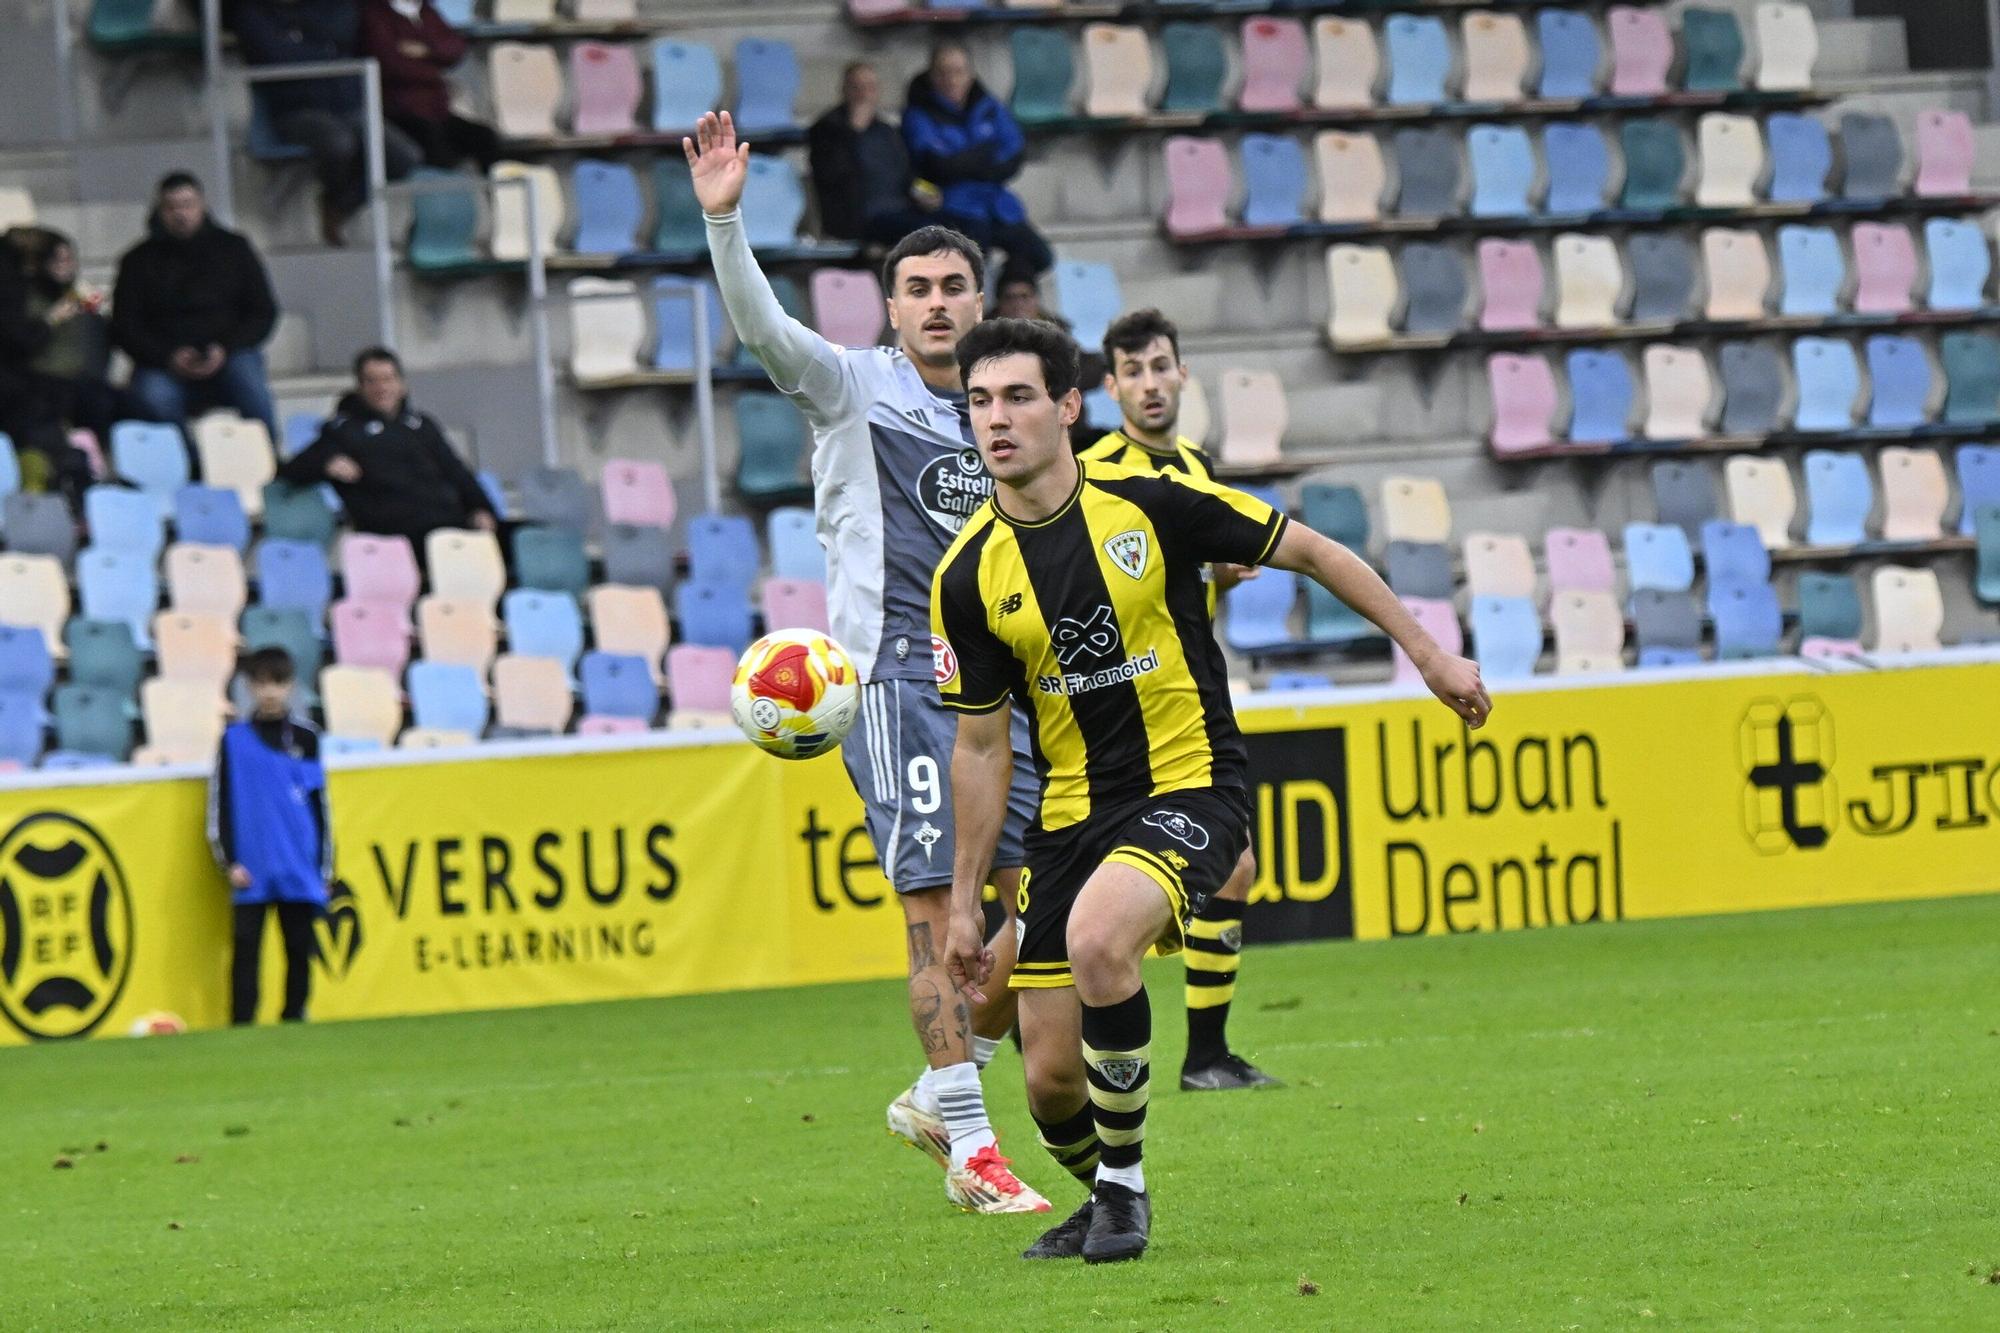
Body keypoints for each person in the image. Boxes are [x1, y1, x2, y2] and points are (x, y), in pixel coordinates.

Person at [932, 318, 1490, 1262]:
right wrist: (960, 903)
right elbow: (982, 747)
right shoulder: (967, 574)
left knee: (1101, 939)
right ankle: (1106, 1186)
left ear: (1069, 407)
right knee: (1051, 1083)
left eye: (1019, 396)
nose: (998, 419)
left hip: (1189, 778)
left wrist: (1428, 652)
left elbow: (1312, 551)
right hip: (1067, 817)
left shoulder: (1152, 499)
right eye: (980, 401)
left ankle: (1121, 1201)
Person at [687, 111, 1049, 1215]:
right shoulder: (849, 386)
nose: (937, 302)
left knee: (1051, 910)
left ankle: (945, 1089)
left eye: (953, 285)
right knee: (936, 911)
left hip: (1000, 690)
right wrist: (725, 220)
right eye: (917, 288)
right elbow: (759, 330)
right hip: (893, 681)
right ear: (888, 307)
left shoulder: (1006, 416)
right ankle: (973, 1148)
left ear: (981, 303)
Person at [1077, 309, 1278, 1091]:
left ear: (1183, 373)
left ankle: (1206, 1054)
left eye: (1162, 366)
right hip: (1123, 709)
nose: (1152, 384)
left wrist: (1218, 574)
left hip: (1192, 697)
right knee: (1073, 890)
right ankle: (1170, 1051)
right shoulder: (1098, 468)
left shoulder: (1195, 463)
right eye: (1134, 372)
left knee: (1234, 865)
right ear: (1110, 386)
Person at [207, 647, 332, 1026]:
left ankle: (294, 1016)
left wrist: (323, 867)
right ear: (249, 687)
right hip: (252, 864)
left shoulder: (307, 738)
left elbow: (319, 805)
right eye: (261, 684)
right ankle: (242, 1023)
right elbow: (219, 803)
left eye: (277, 683)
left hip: (297, 862)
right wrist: (229, 860)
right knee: (246, 948)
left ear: (290, 686)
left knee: (298, 946)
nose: (270, 693)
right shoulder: (233, 740)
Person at [231, 0, 419, 244]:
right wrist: (324, 50)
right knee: (338, 143)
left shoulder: (325, 7)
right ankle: (334, 197)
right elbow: (275, 55)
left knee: (405, 156)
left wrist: (308, 43)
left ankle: (339, 204)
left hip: (344, 106)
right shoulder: (252, 12)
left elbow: (342, 31)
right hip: (295, 109)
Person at [111, 173, 280, 441]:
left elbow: (262, 311)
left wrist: (225, 348)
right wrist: (168, 356)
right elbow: (125, 325)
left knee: (250, 384)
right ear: (160, 210)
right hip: (163, 361)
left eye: (187, 205)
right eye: (172, 207)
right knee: (153, 397)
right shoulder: (137, 261)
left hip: (230, 353)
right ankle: (188, 467)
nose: (181, 214)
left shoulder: (234, 249)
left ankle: (267, 459)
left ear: (202, 205)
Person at [279, 346, 497, 547]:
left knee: (519, 536)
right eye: (372, 381)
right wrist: (326, 462)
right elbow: (292, 470)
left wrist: (481, 508)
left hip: (448, 520)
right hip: (396, 532)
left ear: (402, 385)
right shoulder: (344, 430)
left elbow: (456, 470)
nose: (381, 388)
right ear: (360, 387)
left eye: (388, 379)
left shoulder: (421, 425)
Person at [901, 42, 1052, 286]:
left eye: (958, 72)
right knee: (974, 266)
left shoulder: (989, 107)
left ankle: (1007, 304)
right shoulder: (919, 114)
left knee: (1039, 256)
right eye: (943, 72)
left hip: (996, 204)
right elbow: (938, 165)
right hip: (953, 207)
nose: (951, 80)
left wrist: (966, 160)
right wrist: (985, 153)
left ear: (970, 74)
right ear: (931, 75)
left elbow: (1014, 154)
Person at [8, 227, 121, 450]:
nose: (63, 266)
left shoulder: (84, 298)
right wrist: (51, 319)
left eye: (68, 259)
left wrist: (96, 312)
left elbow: (101, 347)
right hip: (41, 380)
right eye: (55, 260)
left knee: (114, 402)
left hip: (82, 380)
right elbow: (22, 345)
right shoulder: (24, 300)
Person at [807, 62, 940, 249]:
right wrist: (853, 133)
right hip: (858, 218)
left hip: (900, 210)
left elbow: (907, 176)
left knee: (954, 227)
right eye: (856, 87)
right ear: (844, 90)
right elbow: (831, 175)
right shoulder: (826, 129)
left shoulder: (887, 132)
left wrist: (927, 193)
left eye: (869, 88)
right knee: (923, 233)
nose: (863, 94)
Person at [359, 0, 501, 172]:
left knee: (485, 137)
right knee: (436, 144)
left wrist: (426, 50)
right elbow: (391, 63)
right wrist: (434, 69)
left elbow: (455, 46)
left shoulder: (426, 12)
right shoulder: (376, 15)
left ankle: (488, 191)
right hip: (401, 110)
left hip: (437, 109)